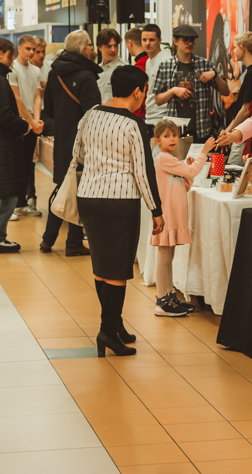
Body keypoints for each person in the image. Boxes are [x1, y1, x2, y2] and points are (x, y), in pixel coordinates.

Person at [71, 65, 162, 357]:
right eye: (144, 91)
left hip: (88, 197)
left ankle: (115, 323)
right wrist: (156, 210)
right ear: (137, 92)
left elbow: (78, 155)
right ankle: (108, 332)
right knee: (118, 270)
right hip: (119, 202)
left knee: (101, 266)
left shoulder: (90, 115)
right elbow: (143, 172)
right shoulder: (133, 124)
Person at [40, 30, 99, 256]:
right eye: (89, 45)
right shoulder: (86, 76)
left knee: (65, 187)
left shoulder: (54, 73)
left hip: (63, 140)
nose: (92, 48)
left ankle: (50, 240)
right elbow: (92, 114)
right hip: (83, 142)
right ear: (82, 48)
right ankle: (72, 243)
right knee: (78, 189)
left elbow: (49, 110)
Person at [0, 38, 38, 253]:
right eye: (11, 54)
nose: (13, 59)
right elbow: (3, 115)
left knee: (0, 192)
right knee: (4, 194)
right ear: (0, 54)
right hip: (2, 143)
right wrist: (25, 126)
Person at [151, 120, 215, 317]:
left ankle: (168, 296)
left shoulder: (171, 159)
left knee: (168, 257)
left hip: (174, 213)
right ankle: (162, 301)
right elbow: (192, 171)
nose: (172, 139)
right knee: (164, 256)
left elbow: (184, 185)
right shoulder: (164, 158)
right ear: (157, 140)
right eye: (166, 136)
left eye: (174, 135)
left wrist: (187, 170)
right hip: (167, 213)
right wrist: (203, 152)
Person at [153, 24, 228, 142]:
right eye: (185, 40)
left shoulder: (204, 64)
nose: (189, 43)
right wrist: (173, 91)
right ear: (175, 41)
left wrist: (215, 75)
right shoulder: (165, 66)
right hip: (175, 130)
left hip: (202, 128)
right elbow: (158, 100)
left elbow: (226, 92)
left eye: (192, 40)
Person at [8, 36, 44, 219]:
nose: (31, 52)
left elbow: (38, 96)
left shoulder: (36, 70)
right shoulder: (12, 69)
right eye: (28, 49)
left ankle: (22, 203)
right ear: (19, 48)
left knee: (27, 165)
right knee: (15, 165)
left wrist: (36, 121)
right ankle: (11, 205)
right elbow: (16, 98)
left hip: (31, 123)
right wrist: (30, 121)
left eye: (33, 49)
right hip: (18, 122)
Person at [141, 24, 168, 139]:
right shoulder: (148, 61)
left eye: (151, 40)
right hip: (150, 116)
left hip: (162, 118)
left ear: (159, 40)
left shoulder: (166, 60)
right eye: (144, 40)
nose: (147, 43)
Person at [96, 28, 128, 103]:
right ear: (99, 47)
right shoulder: (97, 70)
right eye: (109, 46)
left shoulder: (124, 69)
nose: (113, 50)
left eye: (115, 46)